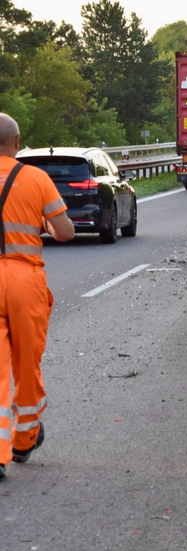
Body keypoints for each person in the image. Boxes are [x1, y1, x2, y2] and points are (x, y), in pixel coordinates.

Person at [0, 113, 74, 481]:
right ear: (17, 142)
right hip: (23, 279)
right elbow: (64, 232)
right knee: (26, 362)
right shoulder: (35, 178)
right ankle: (23, 439)